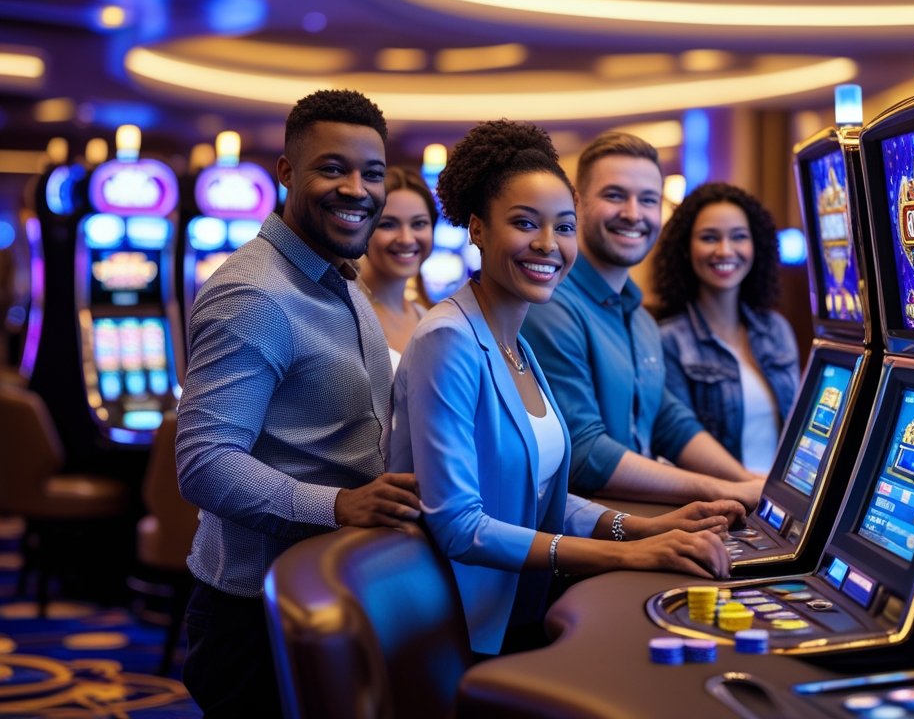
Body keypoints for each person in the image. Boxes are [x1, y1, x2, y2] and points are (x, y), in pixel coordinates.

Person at [390, 119, 743, 656]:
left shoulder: (516, 341)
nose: (548, 245)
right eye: (525, 223)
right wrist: (625, 554)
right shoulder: (448, 339)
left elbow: (540, 497)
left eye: (563, 226)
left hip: (524, 609)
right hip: (465, 632)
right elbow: (460, 525)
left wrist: (643, 527)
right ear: (478, 229)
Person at [176, 89, 421, 717]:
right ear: (287, 172)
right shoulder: (254, 294)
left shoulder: (341, 278)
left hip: (334, 585)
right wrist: (338, 505)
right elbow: (204, 463)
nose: (356, 190)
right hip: (256, 611)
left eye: (370, 173)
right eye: (332, 168)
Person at [521, 132, 763, 507]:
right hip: (582, 541)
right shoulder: (550, 301)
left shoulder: (639, 314)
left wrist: (747, 480)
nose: (634, 213)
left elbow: (668, 420)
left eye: (648, 200)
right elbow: (583, 455)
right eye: (615, 195)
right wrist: (722, 490)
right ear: (577, 204)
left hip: (642, 521)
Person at [653, 182, 800, 474]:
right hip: (719, 504)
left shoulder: (776, 329)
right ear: (685, 248)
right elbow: (677, 442)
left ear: (756, 245)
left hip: (781, 501)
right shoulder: (667, 340)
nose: (725, 250)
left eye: (739, 237)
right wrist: (748, 486)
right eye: (709, 237)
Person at [359, 166, 436, 370]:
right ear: (363, 232)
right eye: (388, 224)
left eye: (419, 224)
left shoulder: (427, 317)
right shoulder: (348, 314)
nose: (407, 239)